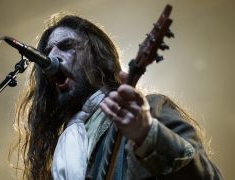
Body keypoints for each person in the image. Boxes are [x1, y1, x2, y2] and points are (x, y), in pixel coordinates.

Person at [11, 13, 222, 180]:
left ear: (97, 58)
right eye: (48, 51)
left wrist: (148, 134)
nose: (52, 57)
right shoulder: (60, 153)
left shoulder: (147, 111)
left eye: (67, 47)